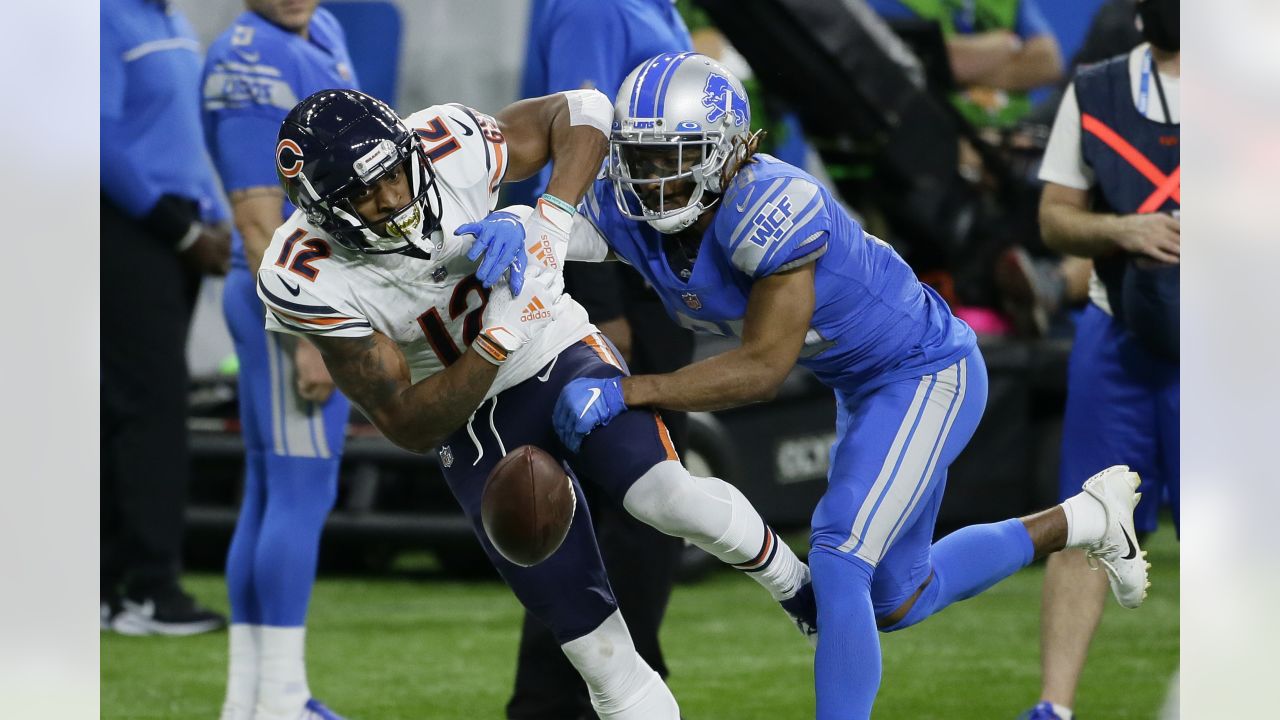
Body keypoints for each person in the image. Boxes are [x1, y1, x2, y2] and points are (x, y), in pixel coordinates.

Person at [553, 53, 1150, 720]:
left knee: (838, 556)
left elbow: (760, 369)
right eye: (643, 157)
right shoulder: (636, 212)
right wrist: (519, 232)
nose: (654, 178)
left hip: (925, 371)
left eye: (676, 156)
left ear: (725, 151)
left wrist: (633, 391)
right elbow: (559, 231)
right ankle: (1088, 518)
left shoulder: (771, 207)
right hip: (861, 387)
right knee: (898, 600)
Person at [259, 87, 811, 720]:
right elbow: (405, 423)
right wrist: (494, 344)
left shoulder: (448, 144)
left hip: (556, 346)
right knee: (599, 655)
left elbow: (582, 109)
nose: (390, 198)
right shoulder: (302, 274)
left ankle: (796, 587)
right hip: (466, 420)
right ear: (322, 213)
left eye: (391, 173)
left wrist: (548, 217)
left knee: (667, 497)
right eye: (362, 193)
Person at [507, 2, 695, 716]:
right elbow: (576, 144)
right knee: (620, 499)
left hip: (646, 272)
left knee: (635, 501)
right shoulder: (597, 5)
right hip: (617, 279)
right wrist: (602, 298)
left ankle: (604, 684)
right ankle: (572, 696)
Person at [200, 2, 360, 718]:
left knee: (271, 493)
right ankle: (283, 699)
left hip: (305, 295)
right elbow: (260, 222)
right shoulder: (245, 62)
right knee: (298, 492)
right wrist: (311, 335)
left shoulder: (317, 29)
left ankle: (251, 700)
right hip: (285, 304)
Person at [1020, 0, 1180, 717]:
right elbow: (1055, 216)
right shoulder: (1098, 88)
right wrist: (1121, 228)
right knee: (1087, 522)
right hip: (1118, 340)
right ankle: (1053, 708)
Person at [101, 0, 231, 636]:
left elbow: (180, 132)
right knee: (152, 407)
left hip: (177, 227)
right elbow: (95, 142)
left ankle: (102, 586)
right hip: (124, 228)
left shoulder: (175, 23)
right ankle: (152, 590)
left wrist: (209, 211)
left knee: (119, 407)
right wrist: (181, 233)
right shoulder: (101, 18)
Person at [866, 0, 1063, 129]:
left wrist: (962, 64)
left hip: (1009, 143)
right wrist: (1006, 45)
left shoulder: (1010, 3)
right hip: (936, 134)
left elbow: (1048, 64)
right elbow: (925, 61)